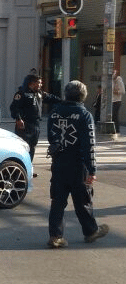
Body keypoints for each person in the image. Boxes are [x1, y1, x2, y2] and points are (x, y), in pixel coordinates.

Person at [46, 80, 109, 248]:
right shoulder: (84, 115)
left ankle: (55, 236)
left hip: (58, 163)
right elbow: (89, 144)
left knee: (57, 201)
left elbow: (51, 137)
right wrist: (92, 169)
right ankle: (90, 232)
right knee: (82, 200)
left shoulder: (54, 112)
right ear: (83, 96)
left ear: (66, 94)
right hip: (77, 165)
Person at [9, 73, 61, 165]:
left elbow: (51, 98)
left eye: (41, 83)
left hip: (35, 125)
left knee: (32, 147)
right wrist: (18, 119)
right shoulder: (21, 93)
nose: (40, 85)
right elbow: (14, 107)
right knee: (23, 147)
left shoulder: (39, 93)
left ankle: (29, 167)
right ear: (31, 83)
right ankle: (20, 167)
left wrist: (65, 101)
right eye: (39, 83)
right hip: (24, 125)